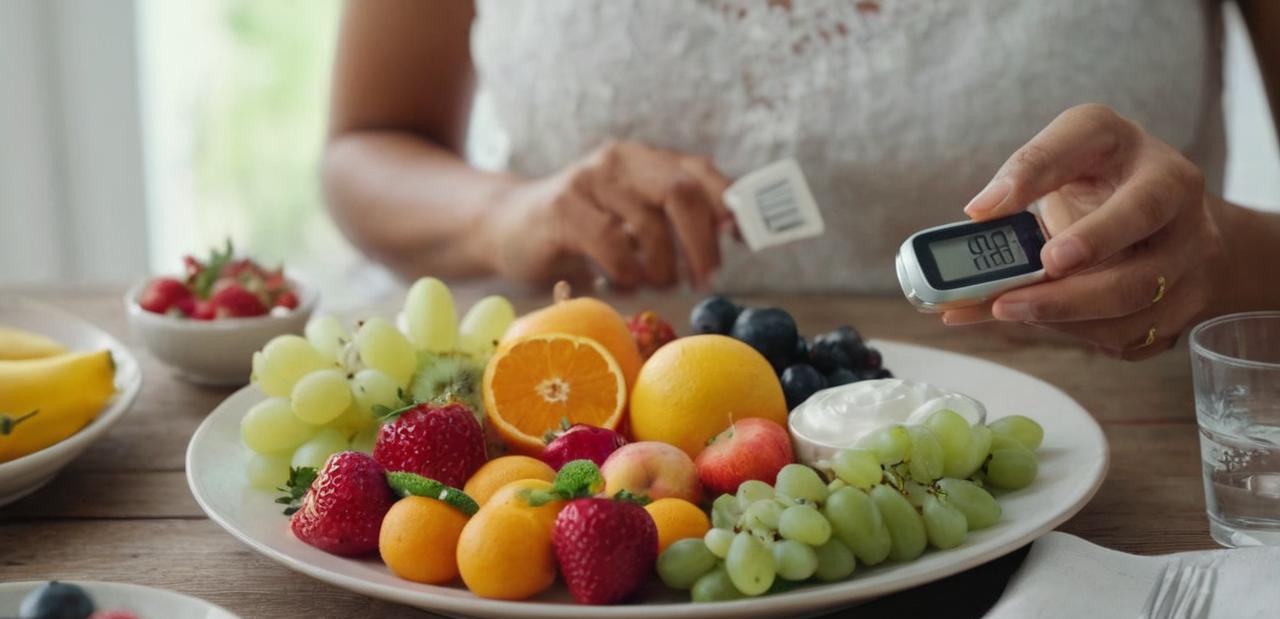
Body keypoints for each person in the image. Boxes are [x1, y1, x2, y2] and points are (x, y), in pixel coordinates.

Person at [323, 0, 1280, 360]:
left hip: (1124, 497)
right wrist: (503, 213)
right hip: (584, 465)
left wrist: (1219, 254)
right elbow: (365, 146)